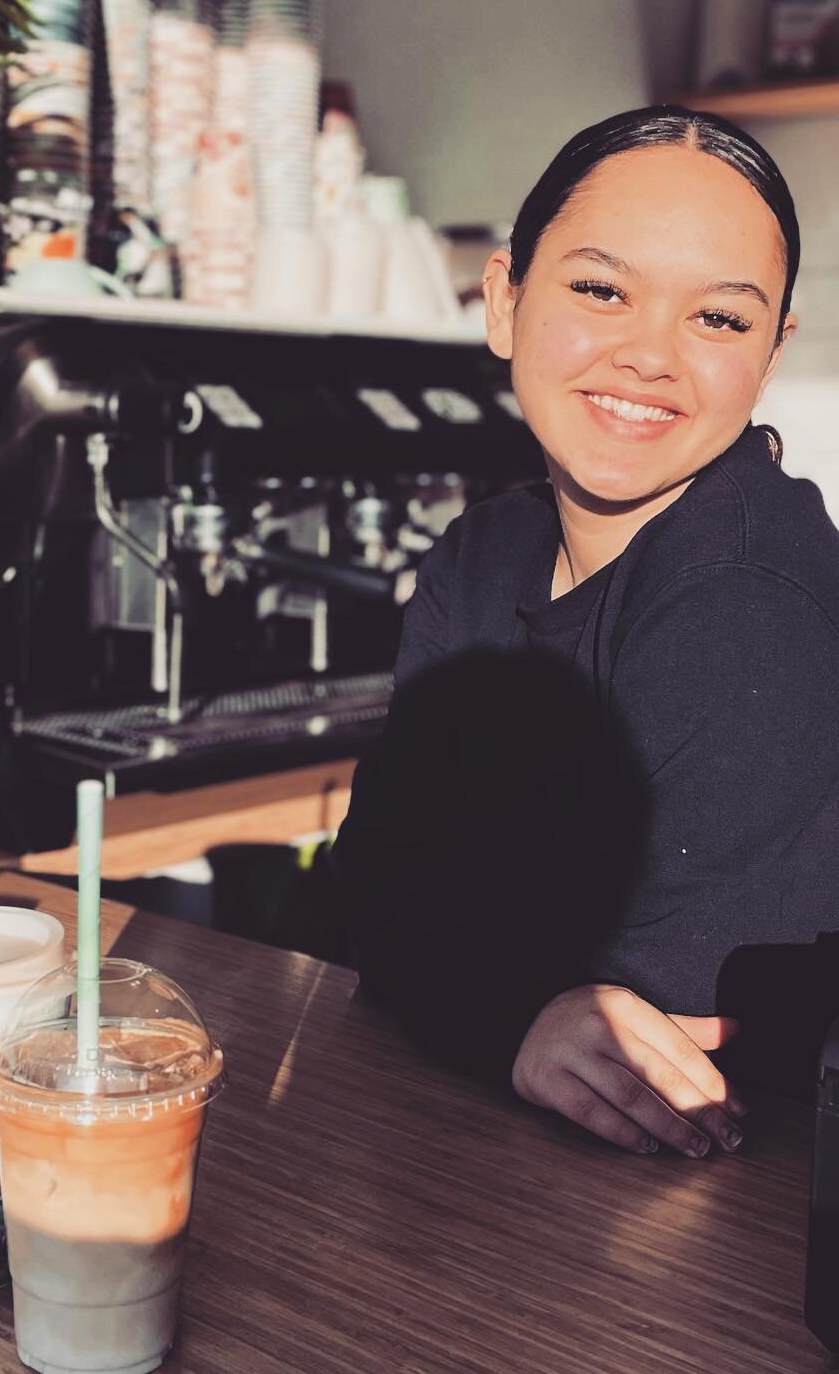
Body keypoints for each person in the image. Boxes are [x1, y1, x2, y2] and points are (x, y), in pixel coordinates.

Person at [332, 106, 839, 1160]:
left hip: (730, 1205)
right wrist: (517, 1006)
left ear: (772, 351)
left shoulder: (749, 595)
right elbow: (372, 887)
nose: (650, 355)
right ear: (505, 300)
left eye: (720, 321)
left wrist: (478, 976)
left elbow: (652, 1022)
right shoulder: (484, 555)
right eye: (602, 290)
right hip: (498, 1152)